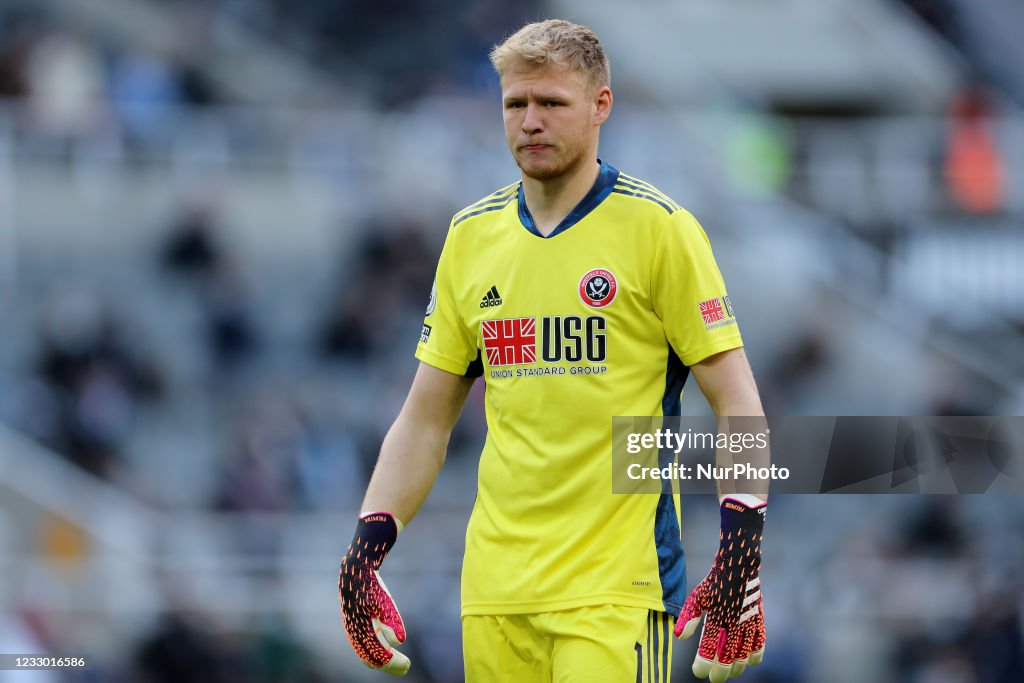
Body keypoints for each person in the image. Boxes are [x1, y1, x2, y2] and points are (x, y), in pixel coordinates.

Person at [338, 19, 768, 683]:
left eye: (551, 103)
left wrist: (741, 548)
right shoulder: (471, 236)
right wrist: (366, 549)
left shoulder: (660, 231)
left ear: (600, 107)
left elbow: (738, 402)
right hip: (495, 593)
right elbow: (425, 418)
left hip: (617, 590)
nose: (530, 121)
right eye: (516, 104)